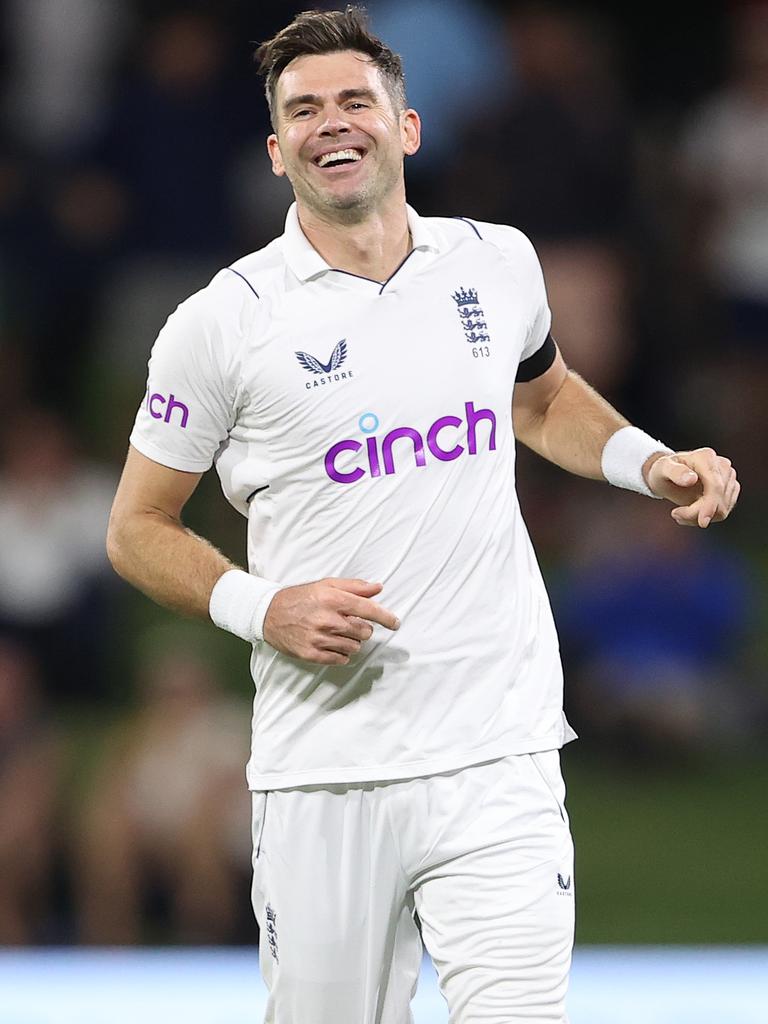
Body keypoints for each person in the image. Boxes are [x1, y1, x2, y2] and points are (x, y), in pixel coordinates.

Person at [106, 8, 740, 1022]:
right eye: (303, 110)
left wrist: (647, 461)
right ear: (277, 153)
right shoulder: (220, 325)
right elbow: (136, 526)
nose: (331, 123)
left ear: (406, 128)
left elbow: (539, 396)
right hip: (328, 771)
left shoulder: (496, 262)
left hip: (501, 752)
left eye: (355, 100)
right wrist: (261, 607)